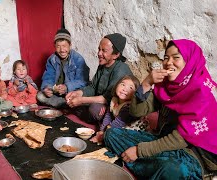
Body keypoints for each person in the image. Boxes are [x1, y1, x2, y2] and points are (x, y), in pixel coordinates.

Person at [104, 39, 217, 179]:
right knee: (111, 134)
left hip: (194, 154)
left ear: (190, 62)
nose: (169, 62)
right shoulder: (166, 86)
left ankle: (154, 168)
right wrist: (146, 84)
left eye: (176, 57)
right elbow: (136, 111)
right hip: (163, 142)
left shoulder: (203, 93)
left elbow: (180, 139)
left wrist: (139, 151)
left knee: (171, 169)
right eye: (166, 58)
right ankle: (152, 169)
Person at [66, 33, 133, 123]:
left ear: (116, 55)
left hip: (116, 105)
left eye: (104, 51)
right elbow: (93, 87)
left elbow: (108, 98)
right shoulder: (103, 65)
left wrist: (81, 100)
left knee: (94, 109)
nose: (99, 53)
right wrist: (78, 93)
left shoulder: (120, 70)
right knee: (72, 99)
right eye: (99, 49)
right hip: (101, 100)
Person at [36, 28, 90, 108]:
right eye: (58, 46)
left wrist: (67, 87)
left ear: (70, 45)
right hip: (56, 94)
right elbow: (48, 77)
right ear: (54, 46)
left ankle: (66, 104)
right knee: (40, 96)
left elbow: (83, 81)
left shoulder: (78, 59)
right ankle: (66, 105)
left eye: (64, 46)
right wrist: (47, 88)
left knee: (80, 98)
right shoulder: (52, 59)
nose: (61, 50)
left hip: (71, 93)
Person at [90, 75, 140, 144]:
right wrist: (102, 130)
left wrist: (101, 135)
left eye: (131, 88)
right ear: (117, 85)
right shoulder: (114, 100)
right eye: (123, 85)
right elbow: (108, 116)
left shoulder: (129, 106)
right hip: (118, 124)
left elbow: (118, 123)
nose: (125, 89)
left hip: (132, 129)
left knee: (115, 138)